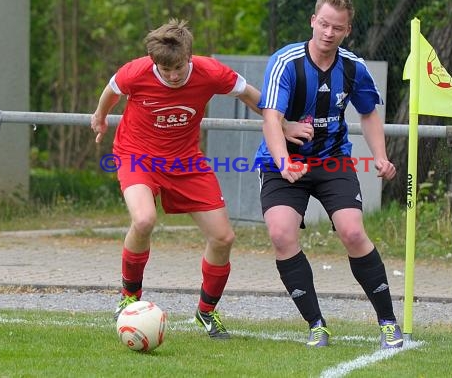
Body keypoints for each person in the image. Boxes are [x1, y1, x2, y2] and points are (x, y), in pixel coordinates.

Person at [91, 18, 305, 339]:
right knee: (145, 219)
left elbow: (250, 95)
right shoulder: (136, 72)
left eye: (178, 68)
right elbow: (112, 90)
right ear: (154, 63)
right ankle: (129, 297)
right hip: (136, 155)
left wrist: (283, 124)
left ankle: (206, 313)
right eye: (166, 70)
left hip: (186, 161)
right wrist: (100, 117)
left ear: (189, 57)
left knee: (223, 238)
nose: (173, 76)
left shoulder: (211, 72)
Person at [254, 0, 403, 349]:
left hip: (333, 159)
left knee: (352, 232)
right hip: (284, 161)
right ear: (312, 21)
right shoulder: (286, 61)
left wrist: (380, 156)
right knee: (281, 234)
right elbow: (271, 116)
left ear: (347, 30)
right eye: (323, 24)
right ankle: (316, 324)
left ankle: (387, 322)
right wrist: (284, 161)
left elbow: (368, 112)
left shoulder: (354, 67)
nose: (328, 32)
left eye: (337, 27)